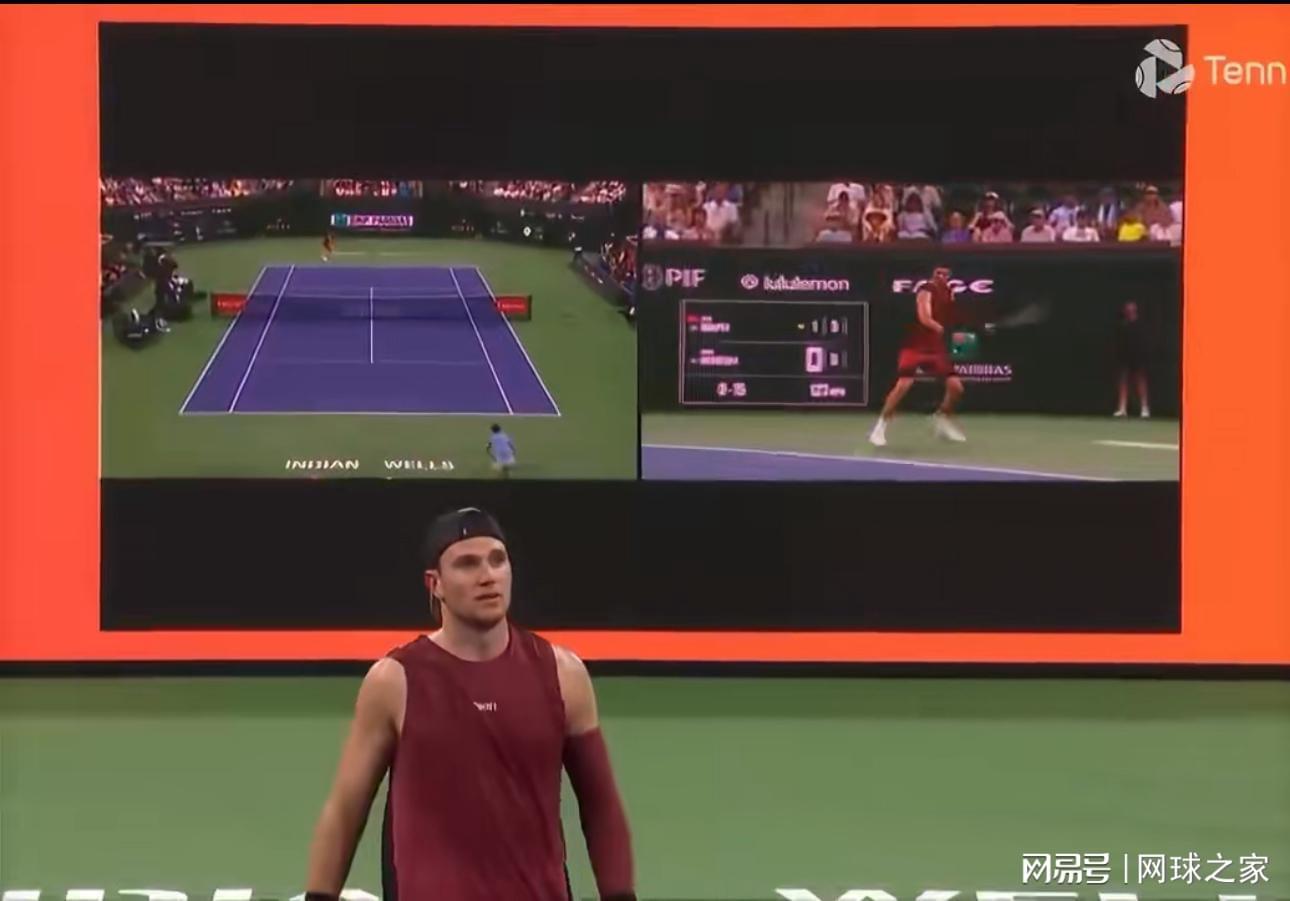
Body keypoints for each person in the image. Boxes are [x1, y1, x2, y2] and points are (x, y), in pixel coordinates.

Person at [304, 508, 636, 901]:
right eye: (467, 564)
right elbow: (346, 811)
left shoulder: (563, 674)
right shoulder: (395, 681)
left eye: (498, 560)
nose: (488, 576)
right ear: (435, 584)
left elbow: (601, 806)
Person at [869, 265, 967, 447]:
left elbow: (951, 315)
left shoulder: (949, 293)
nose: (941, 276)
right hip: (914, 346)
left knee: (956, 387)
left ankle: (942, 420)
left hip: (935, 348)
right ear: (933, 274)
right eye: (938, 273)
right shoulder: (925, 290)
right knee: (903, 385)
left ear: (949, 276)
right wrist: (940, 328)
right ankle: (879, 428)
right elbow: (924, 317)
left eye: (945, 274)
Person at [1114, 301, 1150, 418]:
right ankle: (1122, 408)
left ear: (1134, 311)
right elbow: (1120, 343)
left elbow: (1144, 342)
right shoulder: (1122, 325)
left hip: (1138, 357)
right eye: (1127, 310)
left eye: (1131, 310)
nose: (1128, 312)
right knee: (1123, 382)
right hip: (1125, 358)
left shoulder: (1141, 325)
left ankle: (1144, 408)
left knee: (1140, 381)